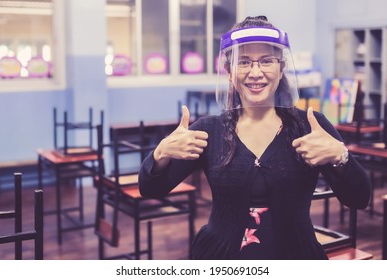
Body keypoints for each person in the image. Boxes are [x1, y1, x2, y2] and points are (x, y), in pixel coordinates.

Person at [138, 16, 371, 260]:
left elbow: (359, 198)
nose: (256, 73)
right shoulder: (209, 131)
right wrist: (160, 153)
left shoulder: (310, 126)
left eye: (266, 61)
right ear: (229, 72)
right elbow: (150, 189)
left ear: (281, 69)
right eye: (244, 62)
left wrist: (341, 156)